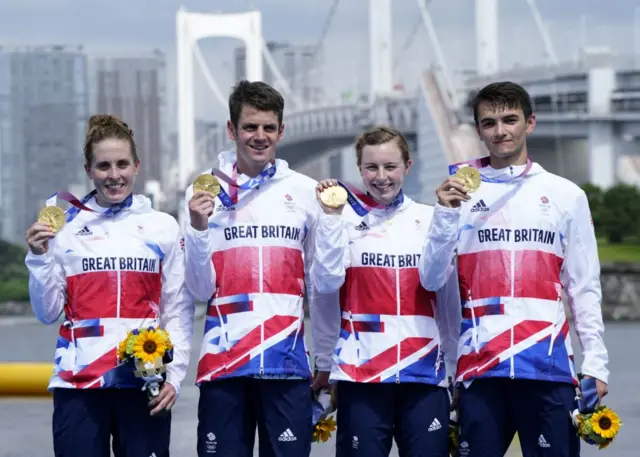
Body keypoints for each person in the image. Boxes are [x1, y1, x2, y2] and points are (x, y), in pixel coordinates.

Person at [421, 81, 610, 457]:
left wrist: (597, 364)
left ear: (530, 123)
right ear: (478, 131)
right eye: (489, 123)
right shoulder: (458, 193)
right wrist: (444, 214)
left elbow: (584, 286)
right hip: (481, 369)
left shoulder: (565, 195)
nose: (500, 131)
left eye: (510, 120)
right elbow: (431, 278)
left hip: (547, 367)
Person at [183, 80, 340, 457]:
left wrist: (325, 358)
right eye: (250, 127)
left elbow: (324, 284)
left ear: (281, 131)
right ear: (231, 129)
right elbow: (200, 290)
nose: (259, 136)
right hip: (224, 364)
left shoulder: (307, 191)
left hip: (286, 363)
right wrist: (199, 229)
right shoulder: (202, 193)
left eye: (269, 127)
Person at [24, 114, 195, 457]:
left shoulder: (162, 226)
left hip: (144, 383)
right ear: (88, 170)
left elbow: (177, 309)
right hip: (79, 384)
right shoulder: (64, 229)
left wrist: (174, 377)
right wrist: (39, 258)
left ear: (137, 166)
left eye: (122, 164)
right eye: (103, 166)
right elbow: (47, 313)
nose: (114, 175)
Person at [311, 126, 461, 457]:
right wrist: (332, 218)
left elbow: (447, 301)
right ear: (359, 170)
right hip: (361, 377)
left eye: (390, 167)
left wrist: (456, 368)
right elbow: (324, 286)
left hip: (424, 376)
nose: (381, 177)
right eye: (371, 168)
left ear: (408, 166)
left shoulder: (432, 218)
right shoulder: (341, 220)